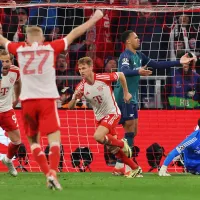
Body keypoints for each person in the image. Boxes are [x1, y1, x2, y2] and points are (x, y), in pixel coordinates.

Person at [0, 9, 104, 190]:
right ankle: (52, 173)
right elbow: (74, 33)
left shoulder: (20, 49)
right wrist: (94, 18)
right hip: (47, 100)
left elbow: (2, 39)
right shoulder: (50, 47)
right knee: (54, 138)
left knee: (33, 142)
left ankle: (46, 171)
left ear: (26, 39)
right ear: (41, 39)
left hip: (28, 102)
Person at [113, 30, 195, 175]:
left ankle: (120, 164)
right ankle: (128, 168)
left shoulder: (139, 55)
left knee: (133, 131)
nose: (139, 39)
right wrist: (138, 71)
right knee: (130, 131)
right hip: (124, 95)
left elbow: (156, 65)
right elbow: (123, 72)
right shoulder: (125, 56)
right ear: (128, 41)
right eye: (136, 37)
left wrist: (179, 62)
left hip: (133, 97)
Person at [68, 57, 142, 178]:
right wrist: (74, 97)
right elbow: (70, 107)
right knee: (113, 150)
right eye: (80, 69)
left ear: (91, 67)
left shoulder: (103, 78)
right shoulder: (81, 87)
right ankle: (135, 168)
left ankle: (123, 144)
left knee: (98, 136)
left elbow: (122, 75)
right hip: (99, 118)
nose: (81, 71)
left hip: (113, 113)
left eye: (84, 68)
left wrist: (126, 93)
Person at [0, 49, 21, 177]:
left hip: (6, 110)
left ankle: (7, 161)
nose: (5, 64)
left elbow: (18, 82)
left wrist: (17, 98)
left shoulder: (15, 71)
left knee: (17, 141)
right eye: (2, 62)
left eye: (7, 61)